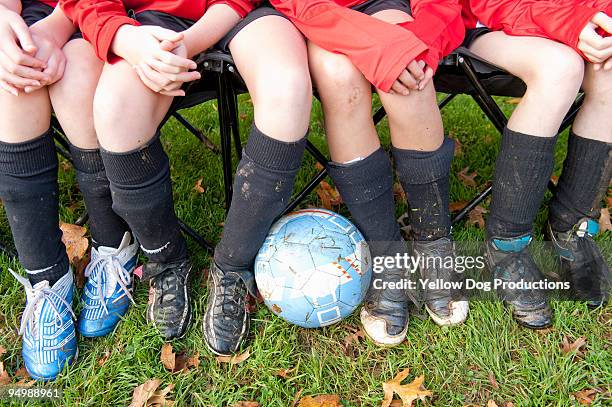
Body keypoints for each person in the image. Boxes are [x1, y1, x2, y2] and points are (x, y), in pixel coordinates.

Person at [59, 0, 314, 357]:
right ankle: (166, 260)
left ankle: (234, 266)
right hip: (147, 25)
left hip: (244, 13)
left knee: (288, 88)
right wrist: (127, 40)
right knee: (115, 108)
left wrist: (189, 42)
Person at [270, 0, 469, 346]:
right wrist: (379, 48)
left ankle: (434, 244)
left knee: (412, 75)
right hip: (319, 11)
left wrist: (419, 46)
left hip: (387, 4)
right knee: (340, 80)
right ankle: (386, 254)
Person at [0, 1, 137, 380]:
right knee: (13, 85)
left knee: (76, 82)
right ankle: (47, 280)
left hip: (96, 15)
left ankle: (114, 247)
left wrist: (58, 25)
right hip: (26, 14)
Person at [461, 0, 612, 328]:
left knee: (611, 72)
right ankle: (506, 245)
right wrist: (567, 21)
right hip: (489, 23)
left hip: (573, 24)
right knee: (560, 68)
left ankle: (570, 229)